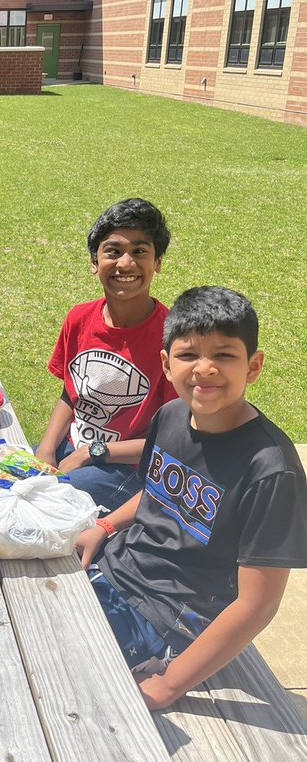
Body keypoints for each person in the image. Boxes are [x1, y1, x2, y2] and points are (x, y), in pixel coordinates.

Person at [75, 286, 307, 711]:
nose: (205, 369)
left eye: (224, 355)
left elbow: (259, 604)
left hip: (172, 620)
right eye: (188, 355)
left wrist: (168, 687)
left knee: (60, 674)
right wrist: (105, 526)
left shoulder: (273, 471)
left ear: (253, 366)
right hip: (115, 568)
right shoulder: (172, 416)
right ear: (166, 364)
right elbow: (158, 490)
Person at [37, 198, 176, 510]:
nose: (125, 263)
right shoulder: (79, 318)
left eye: (140, 251)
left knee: (51, 503)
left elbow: (170, 439)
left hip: (124, 468)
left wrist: (91, 452)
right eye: (113, 251)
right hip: (70, 446)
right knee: (8, 476)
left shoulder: (172, 338)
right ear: (94, 262)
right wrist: (46, 449)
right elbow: (70, 393)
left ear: (158, 262)